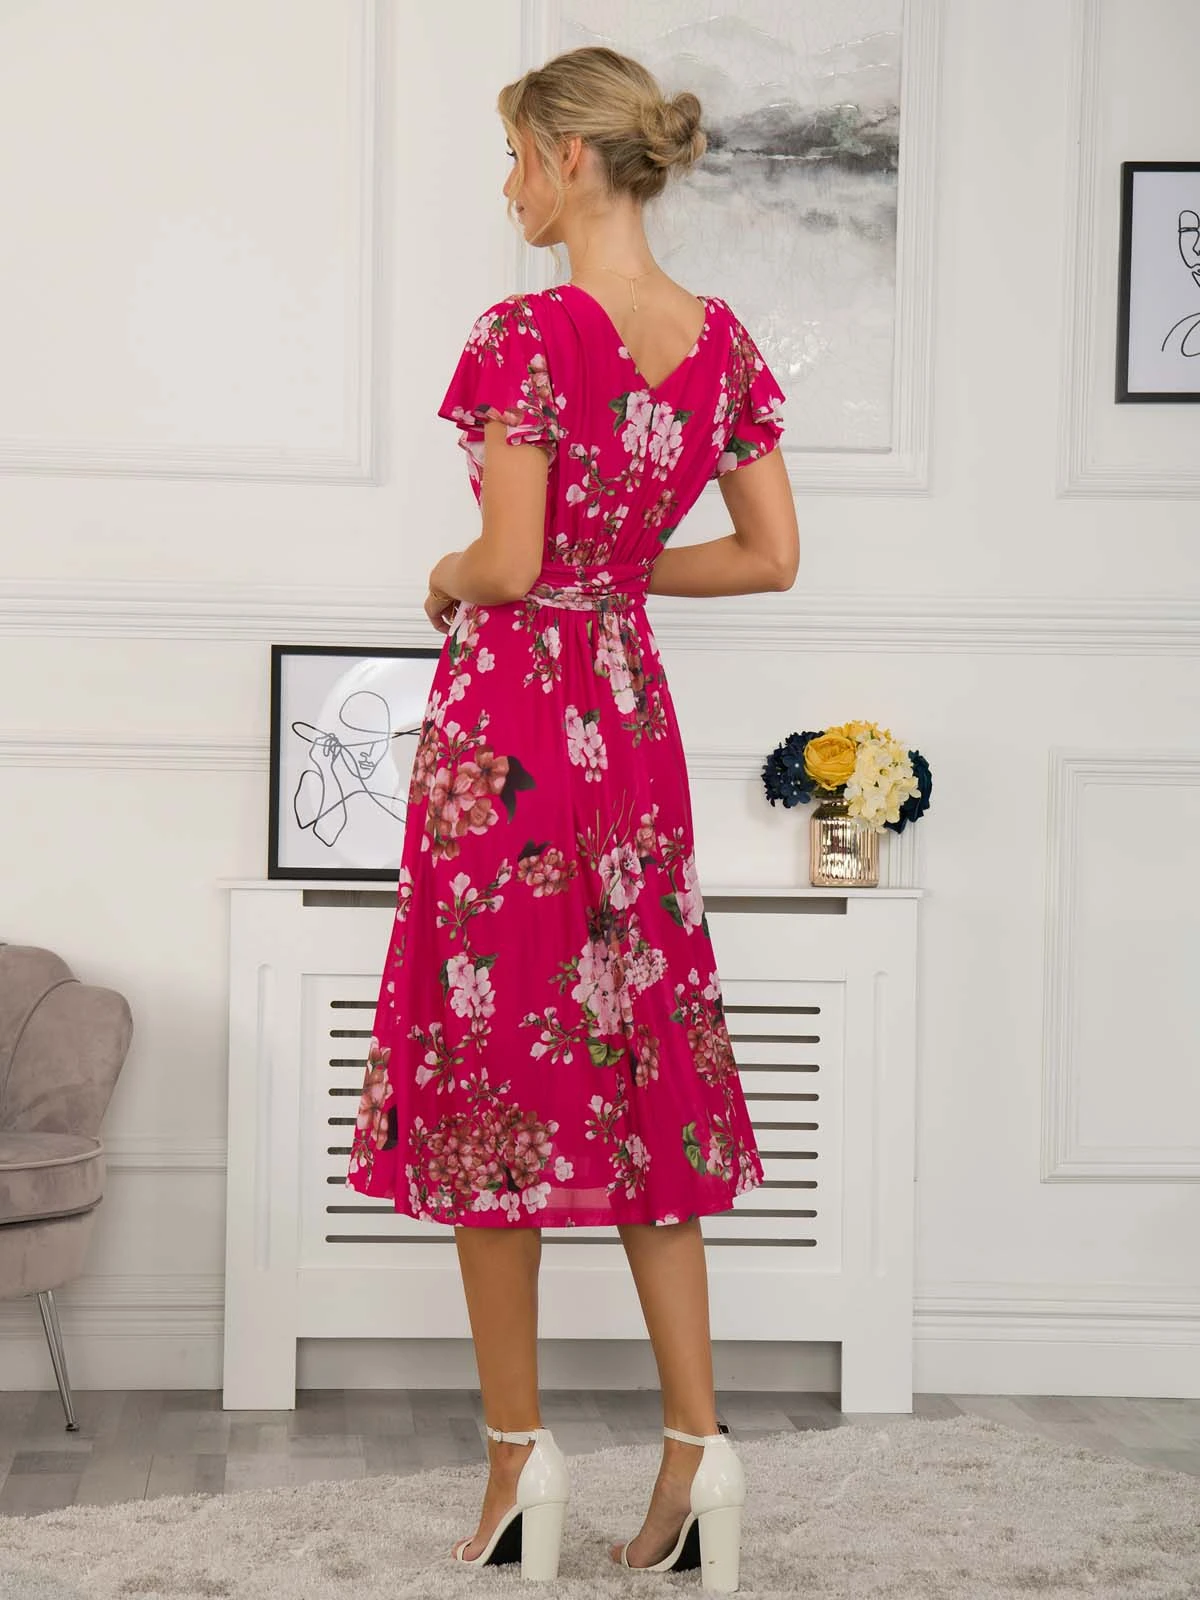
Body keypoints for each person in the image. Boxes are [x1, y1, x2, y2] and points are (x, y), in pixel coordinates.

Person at [345, 43, 799, 1590]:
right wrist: (616, 568)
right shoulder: (720, 342)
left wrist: (444, 573)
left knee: (495, 1075)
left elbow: (509, 561)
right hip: (629, 730)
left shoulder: (527, 332)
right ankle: (697, 1450)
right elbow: (770, 556)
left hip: (517, 730)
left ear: (572, 157)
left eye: (517, 158)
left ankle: (515, 1462)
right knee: (641, 1063)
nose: (509, 189)